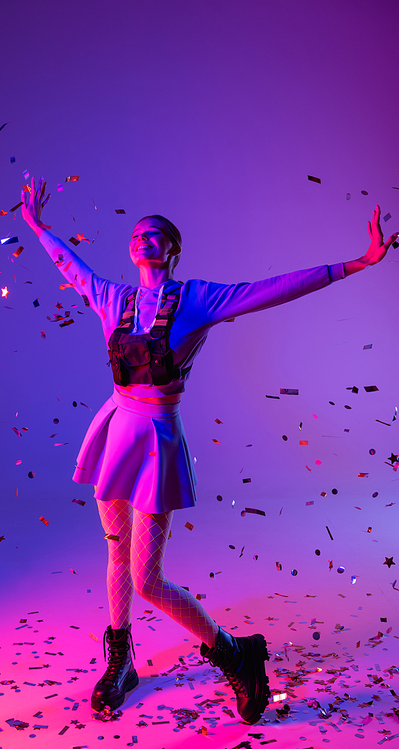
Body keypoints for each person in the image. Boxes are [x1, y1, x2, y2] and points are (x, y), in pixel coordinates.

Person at [21, 177, 397, 724]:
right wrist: (37, 227)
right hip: (115, 432)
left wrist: (355, 264)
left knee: (147, 578)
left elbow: (271, 289)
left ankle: (234, 652)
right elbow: (71, 266)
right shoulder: (113, 299)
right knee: (114, 554)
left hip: (155, 441)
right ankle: (121, 655)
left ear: (172, 250)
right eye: (136, 234)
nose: (142, 239)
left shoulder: (198, 298)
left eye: (155, 235)